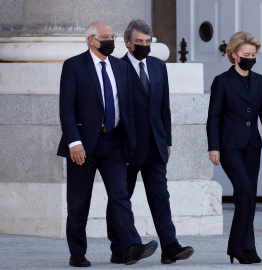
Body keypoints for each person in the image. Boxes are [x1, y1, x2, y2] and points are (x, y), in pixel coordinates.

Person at [57, 21, 158, 267]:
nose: (111, 41)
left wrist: (128, 145)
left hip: (113, 142)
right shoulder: (74, 66)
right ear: (91, 40)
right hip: (83, 144)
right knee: (79, 201)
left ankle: (129, 247)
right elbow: (66, 108)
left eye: (112, 36)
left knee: (120, 196)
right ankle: (77, 253)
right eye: (106, 37)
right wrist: (74, 143)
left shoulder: (119, 67)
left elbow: (128, 109)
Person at [105, 19, 194, 265]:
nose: (144, 46)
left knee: (160, 196)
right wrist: (118, 147)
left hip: (156, 144)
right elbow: (116, 110)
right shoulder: (116, 68)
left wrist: (167, 138)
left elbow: (163, 105)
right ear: (127, 43)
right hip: (127, 147)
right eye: (139, 42)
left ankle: (170, 246)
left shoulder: (157, 66)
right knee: (121, 198)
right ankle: (119, 248)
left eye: (148, 41)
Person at [206, 31, 262, 264]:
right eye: (246, 54)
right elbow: (214, 117)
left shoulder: (260, 81)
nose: (250, 57)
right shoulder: (222, 81)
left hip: (252, 146)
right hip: (229, 147)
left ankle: (243, 247)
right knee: (246, 192)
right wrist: (213, 147)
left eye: (253, 54)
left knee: (247, 197)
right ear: (234, 55)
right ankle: (240, 246)